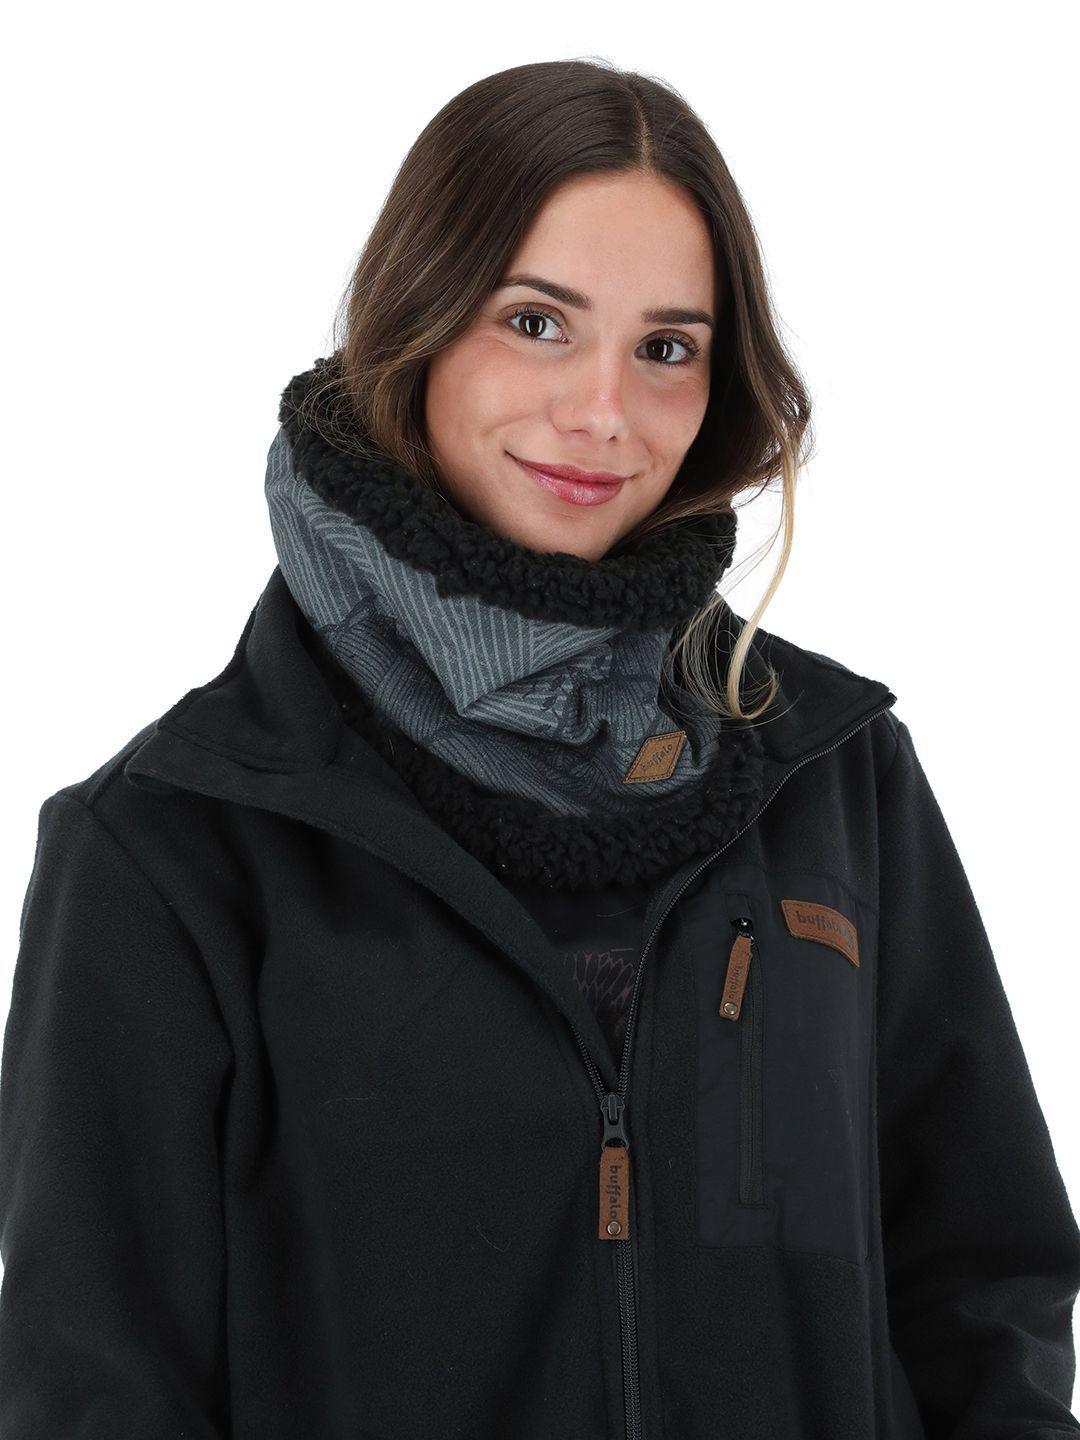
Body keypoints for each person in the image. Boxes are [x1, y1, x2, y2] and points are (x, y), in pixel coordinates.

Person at [1, 56, 1077, 1440]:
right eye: (537, 322)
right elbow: (96, 1390)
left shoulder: (833, 775)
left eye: (667, 347)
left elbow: (982, 1283)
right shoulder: (171, 844)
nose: (603, 413)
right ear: (415, 325)